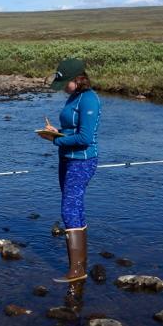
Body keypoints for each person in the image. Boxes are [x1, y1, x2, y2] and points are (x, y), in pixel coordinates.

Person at [38, 58, 101, 282]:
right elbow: (71, 129)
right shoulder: (75, 97)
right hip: (66, 159)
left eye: (66, 83)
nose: (63, 88)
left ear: (78, 79)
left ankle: (76, 271)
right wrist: (57, 132)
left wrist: (55, 141)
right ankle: (80, 267)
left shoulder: (89, 100)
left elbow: (85, 138)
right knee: (75, 207)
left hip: (81, 161)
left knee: (68, 210)